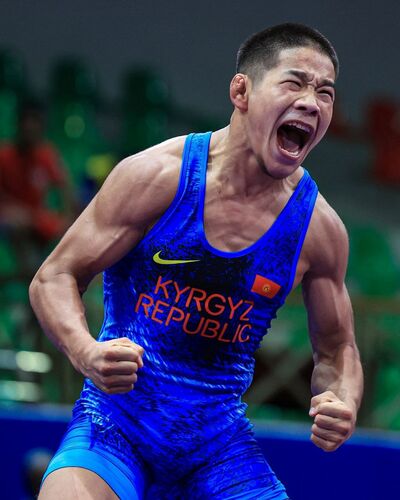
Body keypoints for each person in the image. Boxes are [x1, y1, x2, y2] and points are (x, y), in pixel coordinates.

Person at [29, 23, 363, 500]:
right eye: (294, 84)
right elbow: (54, 276)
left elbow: (337, 348)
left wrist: (342, 400)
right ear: (241, 91)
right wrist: (86, 351)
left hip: (218, 449)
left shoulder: (318, 229)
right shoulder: (156, 177)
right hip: (116, 425)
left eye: (325, 92)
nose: (312, 102)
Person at [0, 100, 72, 274]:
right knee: (16, 225)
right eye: (27, 122)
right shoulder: (4, 155)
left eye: (36, 122)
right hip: (10, 217)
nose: (31, 127)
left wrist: (68, 217)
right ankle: (26, 276)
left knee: (69, 232)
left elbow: (65, 188)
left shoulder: (46, 155)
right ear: (19, 124)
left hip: (37, 217)